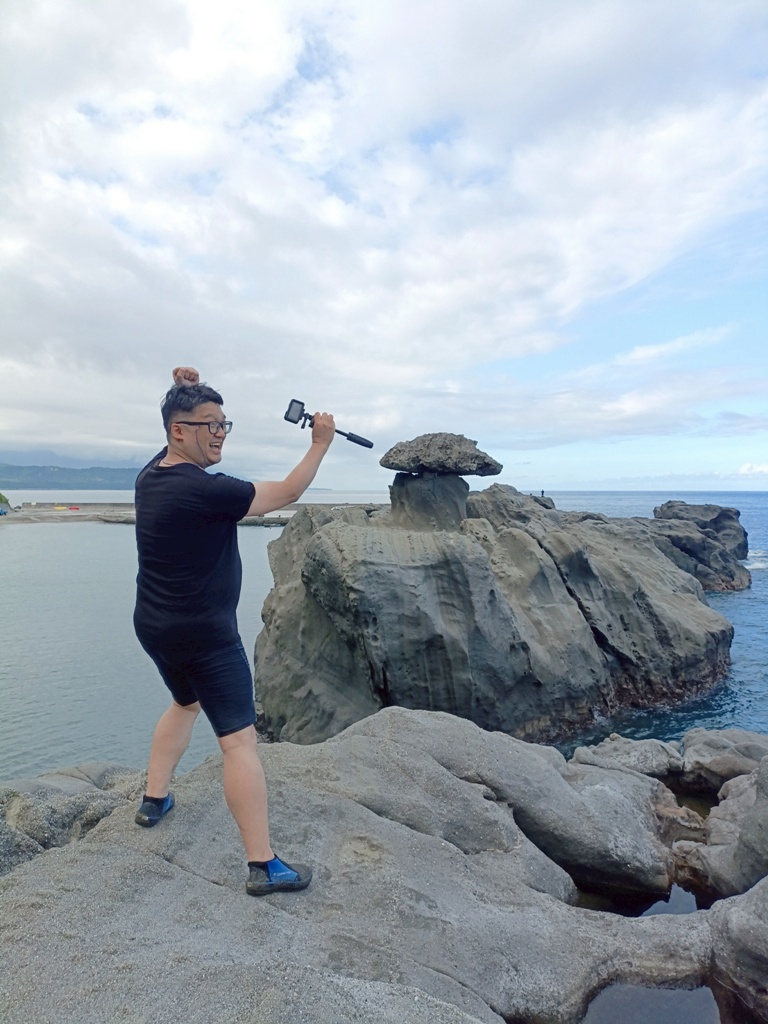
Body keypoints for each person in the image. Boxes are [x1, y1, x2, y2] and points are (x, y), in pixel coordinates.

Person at [132, 366, 335, 896]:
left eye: (225, 424)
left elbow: (173, 429)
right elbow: (289, 491)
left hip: (154, 625)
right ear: (179, 432)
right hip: (206, 635)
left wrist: (183, 384)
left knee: (184, 703)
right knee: (240, 743)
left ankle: (155, 800)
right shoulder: (207, 491)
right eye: (209, 425)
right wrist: (320, 443)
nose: (220, 432)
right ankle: (263, 865)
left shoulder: (151, 475)